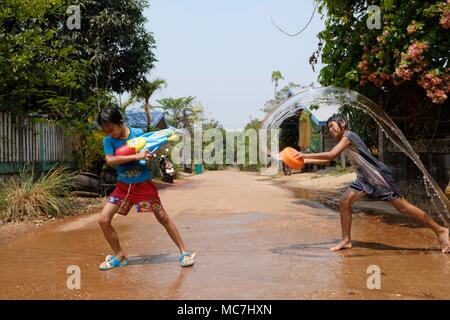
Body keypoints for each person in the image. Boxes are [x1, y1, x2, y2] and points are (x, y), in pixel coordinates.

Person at [298, 114, 450, 252]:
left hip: (377, 177)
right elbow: (329, 157)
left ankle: (441, 230)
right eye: (328, 127)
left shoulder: (348, 135)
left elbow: (331, 156)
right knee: (344, 202)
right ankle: (346, 240)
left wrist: (304, 155)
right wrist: (303, 160)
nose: (330, 129)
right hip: (365, 178)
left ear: (342, 123)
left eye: (332, 125)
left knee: (403, 208)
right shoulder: (345, 138)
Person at [96, 107, 196, 270]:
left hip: (144, 186)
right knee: (103, 220)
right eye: (105, 130)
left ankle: (184, 252)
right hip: (123, 188)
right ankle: (120, 256)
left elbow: (151, 149)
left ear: (120, 123)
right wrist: (136, 156)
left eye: (111, 129)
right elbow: (110, 160)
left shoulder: (138, 133)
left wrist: (147, 156)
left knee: (162, 217)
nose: (109, 133)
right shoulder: (108, 141)